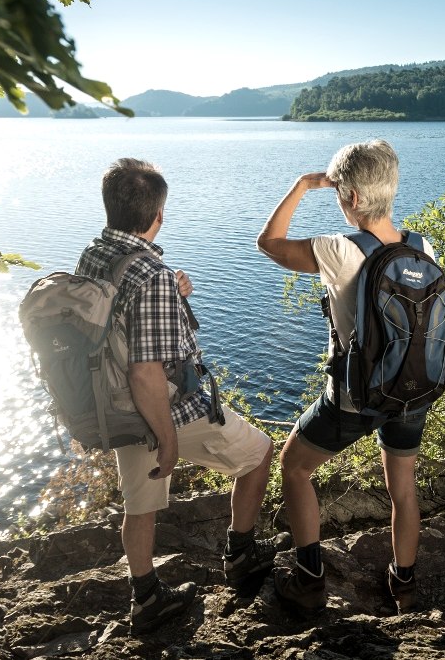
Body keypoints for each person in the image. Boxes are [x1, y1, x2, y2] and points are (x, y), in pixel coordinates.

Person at [76, 158, 289, 635]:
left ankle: (147, 598)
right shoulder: (150, 273)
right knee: (258, 455)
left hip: (114, 406)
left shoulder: (96, 253)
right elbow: (147, 372)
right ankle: (241, 556)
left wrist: (170, 291)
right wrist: (168, 438)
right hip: (164, 410)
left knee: (140, 504)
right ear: (158, 214)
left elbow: (115, 321)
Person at [256, 139, 429, 616]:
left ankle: (310, 578)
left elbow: (268, 243)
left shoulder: (339, 249)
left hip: (356, 398)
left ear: (350, 198)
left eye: (337, 193)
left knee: (294, 467)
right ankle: (405, 584)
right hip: (413, 390)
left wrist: (300, 187)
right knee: (404, 488)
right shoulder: (421, 246)